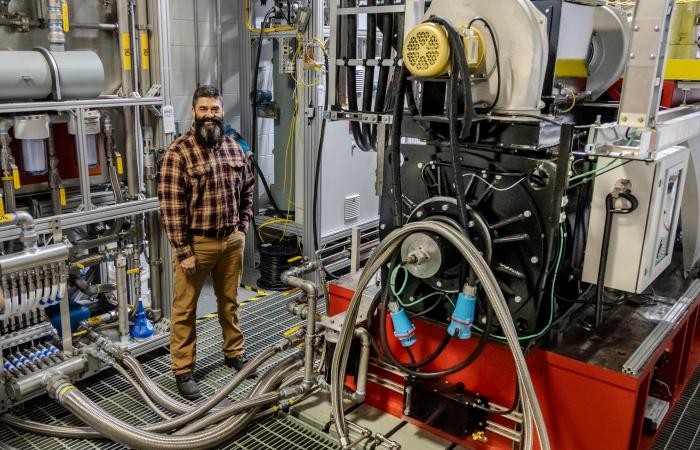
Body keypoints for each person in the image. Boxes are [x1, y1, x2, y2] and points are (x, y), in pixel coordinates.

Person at [158, 85, 255, 400]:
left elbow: (247, 189)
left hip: (231, 241)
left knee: (229, 302)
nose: (210, 115)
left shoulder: (233, 148)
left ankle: (234, 353)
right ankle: (183, 370)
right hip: (196, 246)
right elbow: (171, 207)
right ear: (194, 112)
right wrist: (183, 251)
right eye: (204, 109)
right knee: (185, 309)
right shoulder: (178, 152)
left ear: (221, 111)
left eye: (215, 109)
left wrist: (242, 227)